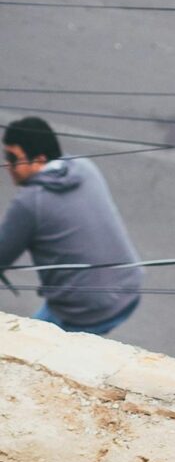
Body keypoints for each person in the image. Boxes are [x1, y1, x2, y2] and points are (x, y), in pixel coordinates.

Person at [0, 115, 144, 337]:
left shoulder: (30, 202)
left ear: (38, 160)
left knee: (20, 344)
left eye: (13, 157)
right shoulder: (83, 166)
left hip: (86, 312)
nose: (7, 165)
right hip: (129, 289)